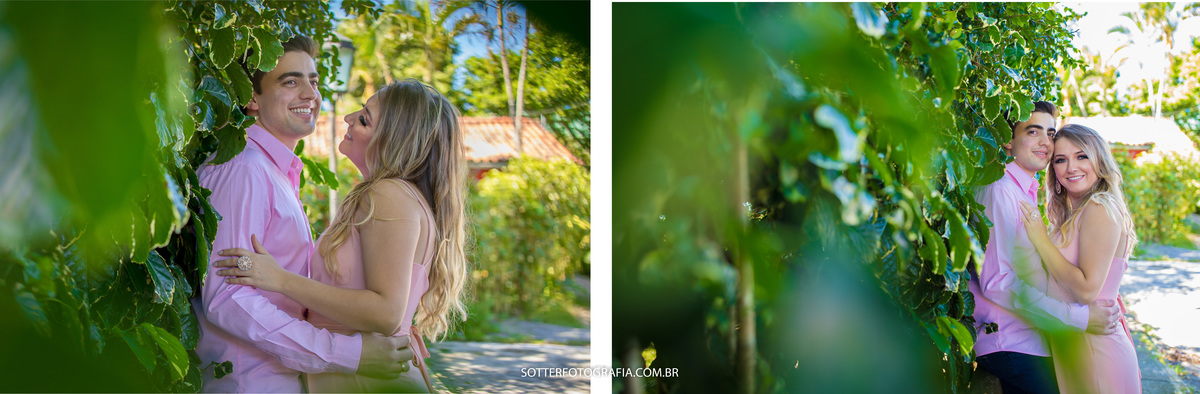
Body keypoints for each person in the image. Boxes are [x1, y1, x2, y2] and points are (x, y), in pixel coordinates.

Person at [212, 78, 470, 392]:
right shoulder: (391, 196)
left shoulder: (388, 195)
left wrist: (280, 280)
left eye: (364, 119)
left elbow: (386, 312)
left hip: (370, 379)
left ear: (394, 139)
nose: (348, 118)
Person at [195, 35, 414, 392]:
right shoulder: (243, 168)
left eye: (313, 81)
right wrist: (347, 352)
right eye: (290, 81)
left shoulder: (274, 172)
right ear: (253, 98)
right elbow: (228, 298)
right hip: (249, 382)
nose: (310, 94)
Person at [969, 101, 1121, 394]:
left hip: (1032, 341)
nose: (1045, 143)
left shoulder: (1022, 190)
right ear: (1008, 141)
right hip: (1011, 342)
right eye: (1033, 131)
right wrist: (1080, 317)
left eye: (1050, 133)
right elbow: (998, 282)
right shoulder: (1000, 190)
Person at [1017, 124, 1140, 393]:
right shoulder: (1073, 216)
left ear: (1099, 159)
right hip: (1078, 349)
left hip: (1098, 353)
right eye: (1061, 160)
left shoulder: (1099, 207)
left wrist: (1040, 239)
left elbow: (1086, 289)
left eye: (1081, 156)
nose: (1071, 167)